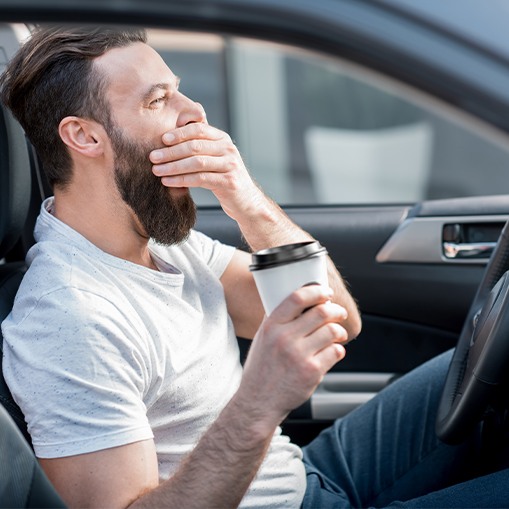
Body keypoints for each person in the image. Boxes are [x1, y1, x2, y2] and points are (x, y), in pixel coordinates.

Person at [0, 25, 507, 509]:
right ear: (84, 137)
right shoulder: (69, 318)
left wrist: (247, 200)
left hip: (306, 474)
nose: (194, 111)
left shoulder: (162, 242)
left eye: (178, 91)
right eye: (158, 100)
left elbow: (334, 317)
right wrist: (259, 404)